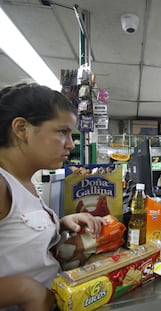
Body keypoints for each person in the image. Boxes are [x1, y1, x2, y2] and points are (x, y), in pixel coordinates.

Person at [0, 83, 106, 311]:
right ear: (21, 129)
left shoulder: (25, 181)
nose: (70, 144)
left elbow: (14, 239)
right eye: (62, 132)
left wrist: (61, 224)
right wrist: (25, 290)